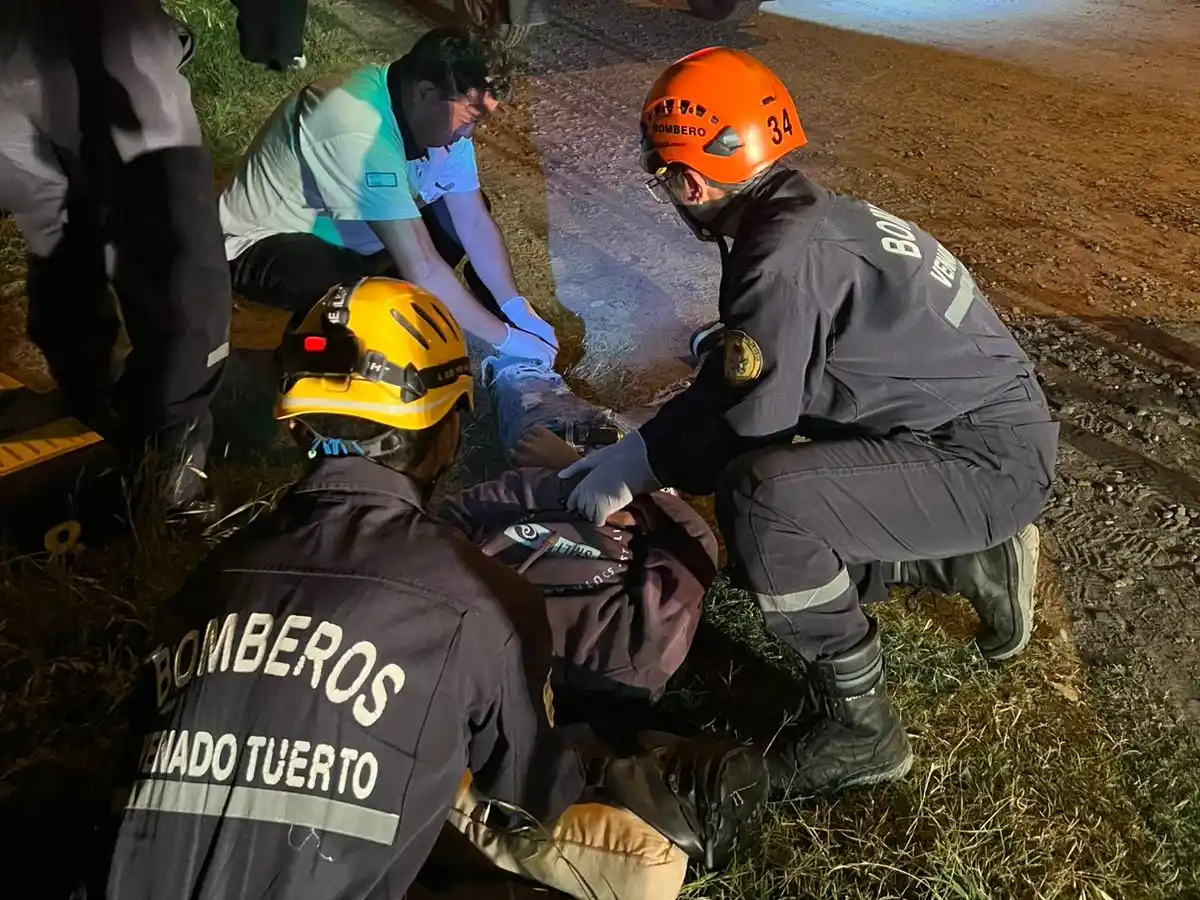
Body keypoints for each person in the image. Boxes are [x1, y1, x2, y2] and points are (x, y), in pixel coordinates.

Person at [86, 278, 766, 900]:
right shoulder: (481, 602)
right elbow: (535, 799)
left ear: (293, 428)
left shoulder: (208, 582)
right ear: (447, 435)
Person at [560, 47, 1060, 802]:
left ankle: (864, 730)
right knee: (784, 483)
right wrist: (646, 449)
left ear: (691, 181)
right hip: (981, 435)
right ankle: (968, 562)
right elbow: (753, 371)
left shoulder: (776, 256)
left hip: (981, 461)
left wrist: (640, 463)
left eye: (664, 175)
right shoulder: (807, 213)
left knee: (762, 503)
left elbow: (746, 424)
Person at [0, 0, 233, 521]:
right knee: (178, 249)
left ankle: (90, 405)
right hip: (108, 32)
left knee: (58, 233)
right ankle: (172, 469)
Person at [218, 26, 558, 366]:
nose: (470, 134)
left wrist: (515, 305)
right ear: (425, 92)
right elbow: (421, 264)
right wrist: (505, 339)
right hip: (267, 241)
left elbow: (473, 222)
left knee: (454, 219)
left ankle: (398, 306)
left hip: (357, 234)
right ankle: (301, 363)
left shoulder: (437, 114)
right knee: (362, 300)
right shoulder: (355, 124)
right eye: (469, 118)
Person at [438, 354, 720, 715]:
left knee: (520, 376)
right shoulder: (637, 657)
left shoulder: (470, 632)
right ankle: (704, 374)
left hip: (564, 449)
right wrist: (576, 474)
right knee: (701, 412)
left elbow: (456, 516)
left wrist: (568, 476)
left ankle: (522, 363)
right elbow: (693, 542)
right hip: (637, 474)